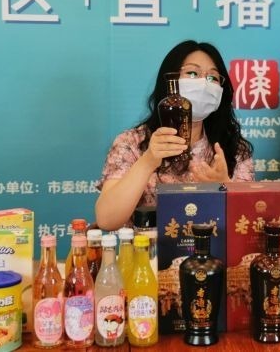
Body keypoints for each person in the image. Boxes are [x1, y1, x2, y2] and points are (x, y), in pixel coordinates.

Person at [95, 40, 254, 231]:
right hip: (148, 250)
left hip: (212, 250)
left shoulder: (233, 148)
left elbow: (248, 224)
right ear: (170, 81)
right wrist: (147, 161)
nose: (204, 83)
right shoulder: (132, 142)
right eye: (192, 73)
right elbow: (107, 220)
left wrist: (223, 187)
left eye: (212, 77)